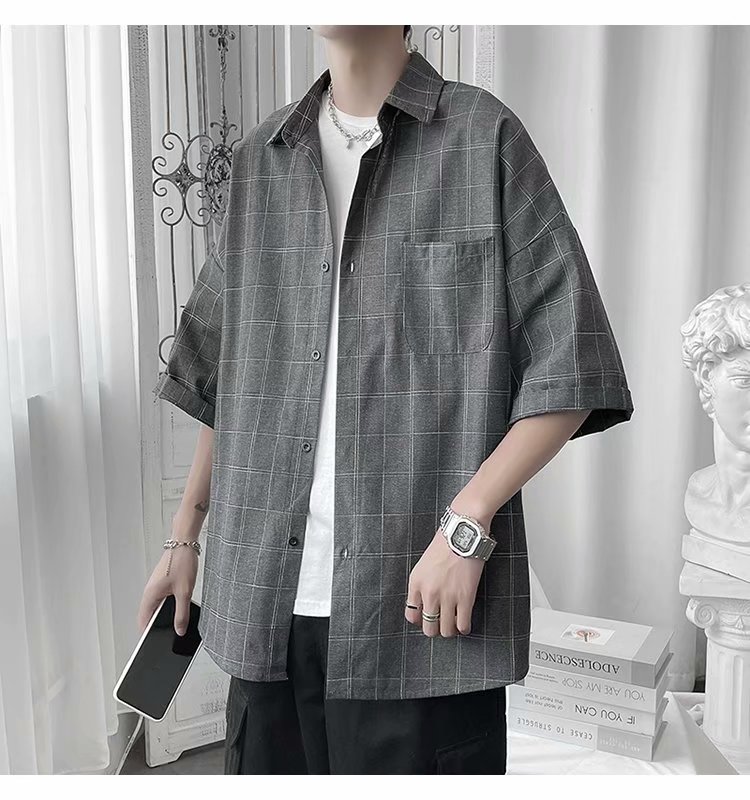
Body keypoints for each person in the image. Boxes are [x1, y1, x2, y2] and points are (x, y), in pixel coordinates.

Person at [140, 24, 634, 774]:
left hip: (417, 614)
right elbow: (225, 376)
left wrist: (466, 527)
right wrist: (184, 537)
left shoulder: (482, 138)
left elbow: (571, 362)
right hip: (264, 602)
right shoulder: (262, 160)